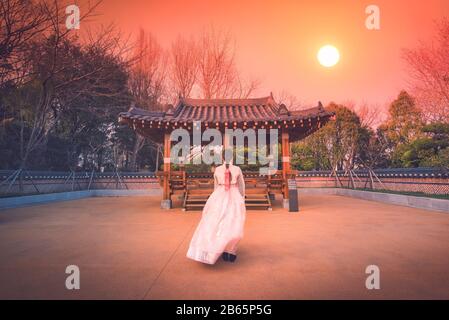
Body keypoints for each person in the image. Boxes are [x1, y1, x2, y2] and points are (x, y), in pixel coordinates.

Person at [186, 153, 246, 265]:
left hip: (223, 194)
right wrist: (242, 197)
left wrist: (215, 198)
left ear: (222, 158)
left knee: (223, 222)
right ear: (232, 157)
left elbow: (217, 185)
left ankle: (226, 248)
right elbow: (241, 185)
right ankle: (229, 250)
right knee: (231, 222)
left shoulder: (222, 169)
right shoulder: (233, 169)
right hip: (228, 194)